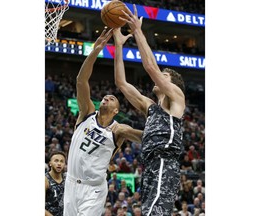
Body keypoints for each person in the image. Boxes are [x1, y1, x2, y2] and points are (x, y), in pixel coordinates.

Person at [113, 4, 186, 215]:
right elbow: (122, 83)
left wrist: (137, 31)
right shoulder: (150, 107)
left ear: (173, 84)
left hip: (165, 161)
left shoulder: (176, 98)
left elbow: (151, 67)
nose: (159, 76)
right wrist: (119, 45)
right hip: (150, 164)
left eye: (164, 75)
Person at [63, 28, 143, 216]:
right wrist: (96, 50)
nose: (107, 97)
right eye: (105, 97)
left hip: (94, 190)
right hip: (71, 184)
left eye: (112, 98)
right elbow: (81, 81)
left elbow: (145, 137)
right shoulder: (86, 114)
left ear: (116, 110)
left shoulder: (118, 130)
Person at [45, 151, 67, 216]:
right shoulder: (45, 179)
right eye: (56, 161)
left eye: (61, 161)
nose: (59, 163)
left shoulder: (67, 178)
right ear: (50, 163)